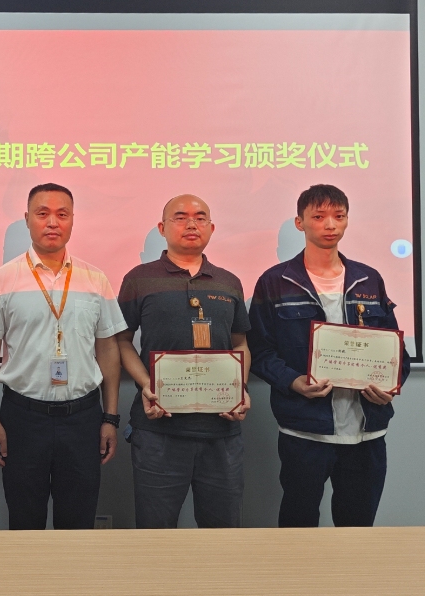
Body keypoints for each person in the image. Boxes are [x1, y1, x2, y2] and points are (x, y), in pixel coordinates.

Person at [248, 184, 410, 528]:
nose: (330, 224)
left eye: (339, 216)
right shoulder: (275, 281)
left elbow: (397, 352)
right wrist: (294, 381)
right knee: (299, 526)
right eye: (319, 216)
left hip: (366, 431)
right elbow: (260, 351)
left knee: (358, 528)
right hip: (304, 430)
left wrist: (391, 386)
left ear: (347, 220)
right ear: (300, 222)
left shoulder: (369, 279)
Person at [0, 183, 127, 530]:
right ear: (27, 219)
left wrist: (110, 417)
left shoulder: (95, 279)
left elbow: (108, 348)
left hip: (83, 418)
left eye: (62, 214)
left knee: (78, 523)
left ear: (73, 220)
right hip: (22, 418)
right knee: (24, 520)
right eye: (42, 213)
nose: (52, 222)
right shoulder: (2, 280)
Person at [116, 194, 251, 528]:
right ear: (162, 228)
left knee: (223, 534)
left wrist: (241, 390)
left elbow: (241, 343)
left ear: (211, 228)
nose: (192, 224)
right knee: (156, 533)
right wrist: (146, 384)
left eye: (200, 217)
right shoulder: (138, 279)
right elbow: (121, 341)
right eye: (180, 217)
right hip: (158, 429)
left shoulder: (229, 282)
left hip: (221, 429)